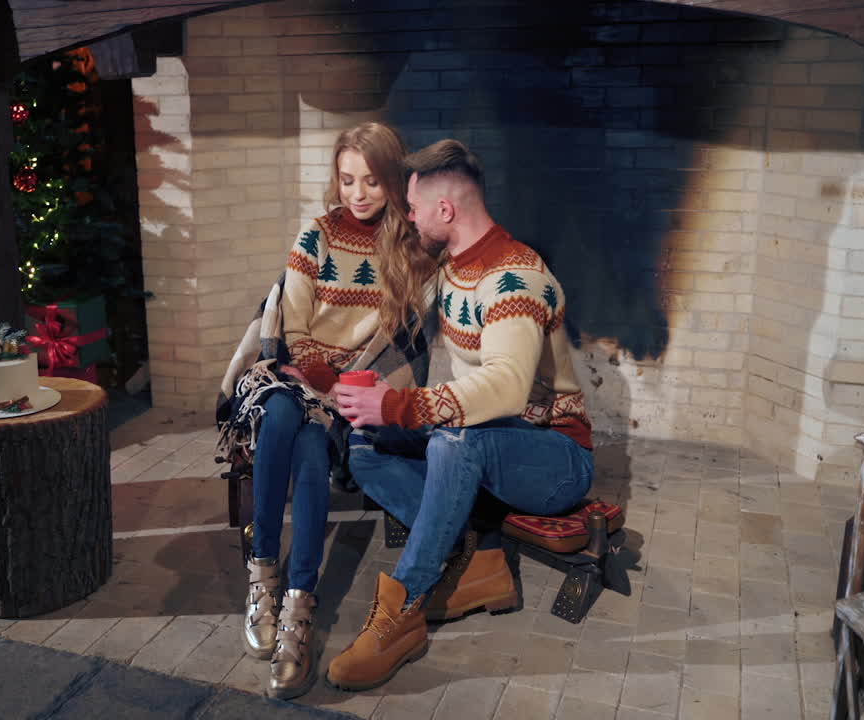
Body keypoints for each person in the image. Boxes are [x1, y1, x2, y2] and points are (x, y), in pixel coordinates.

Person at [326, 139, 594, 691]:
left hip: (555, 459)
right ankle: (477, 556)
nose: (410, 216)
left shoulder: (513, 277)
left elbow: (507, 388)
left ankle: (404, 610)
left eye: (416, 207)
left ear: (445, 210)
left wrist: (403, 405)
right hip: (493, 444)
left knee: (454, 440)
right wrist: (376, 399)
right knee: (366, 440)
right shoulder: (454, 265)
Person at [215, 122, 437, 700]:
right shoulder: (314, 235)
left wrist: (339, 386)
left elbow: (403, 335)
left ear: (392, 180)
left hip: (345, 391)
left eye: (370, 180)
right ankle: (278, 590)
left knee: (310, 442)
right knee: (288, 417)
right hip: (287, 373)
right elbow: (291, 321)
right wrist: (314, 374)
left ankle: (287, 599)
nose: (358, 192)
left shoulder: (407, 252)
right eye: (346, 180)